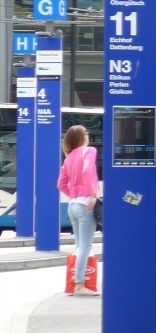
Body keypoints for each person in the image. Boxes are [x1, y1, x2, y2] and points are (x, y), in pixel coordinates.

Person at [57, 125, 100, 296]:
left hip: (73, 205)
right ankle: (79, 284)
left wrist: (74, 195)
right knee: (86, 246)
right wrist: (89, 195)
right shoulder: (89, 151)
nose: (88, 136)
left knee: (79, 246)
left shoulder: (68, 157)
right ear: (82, 137)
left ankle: (75, 283)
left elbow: (61, 184)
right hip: (84, 205)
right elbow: (87, 170)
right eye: (86, 133)